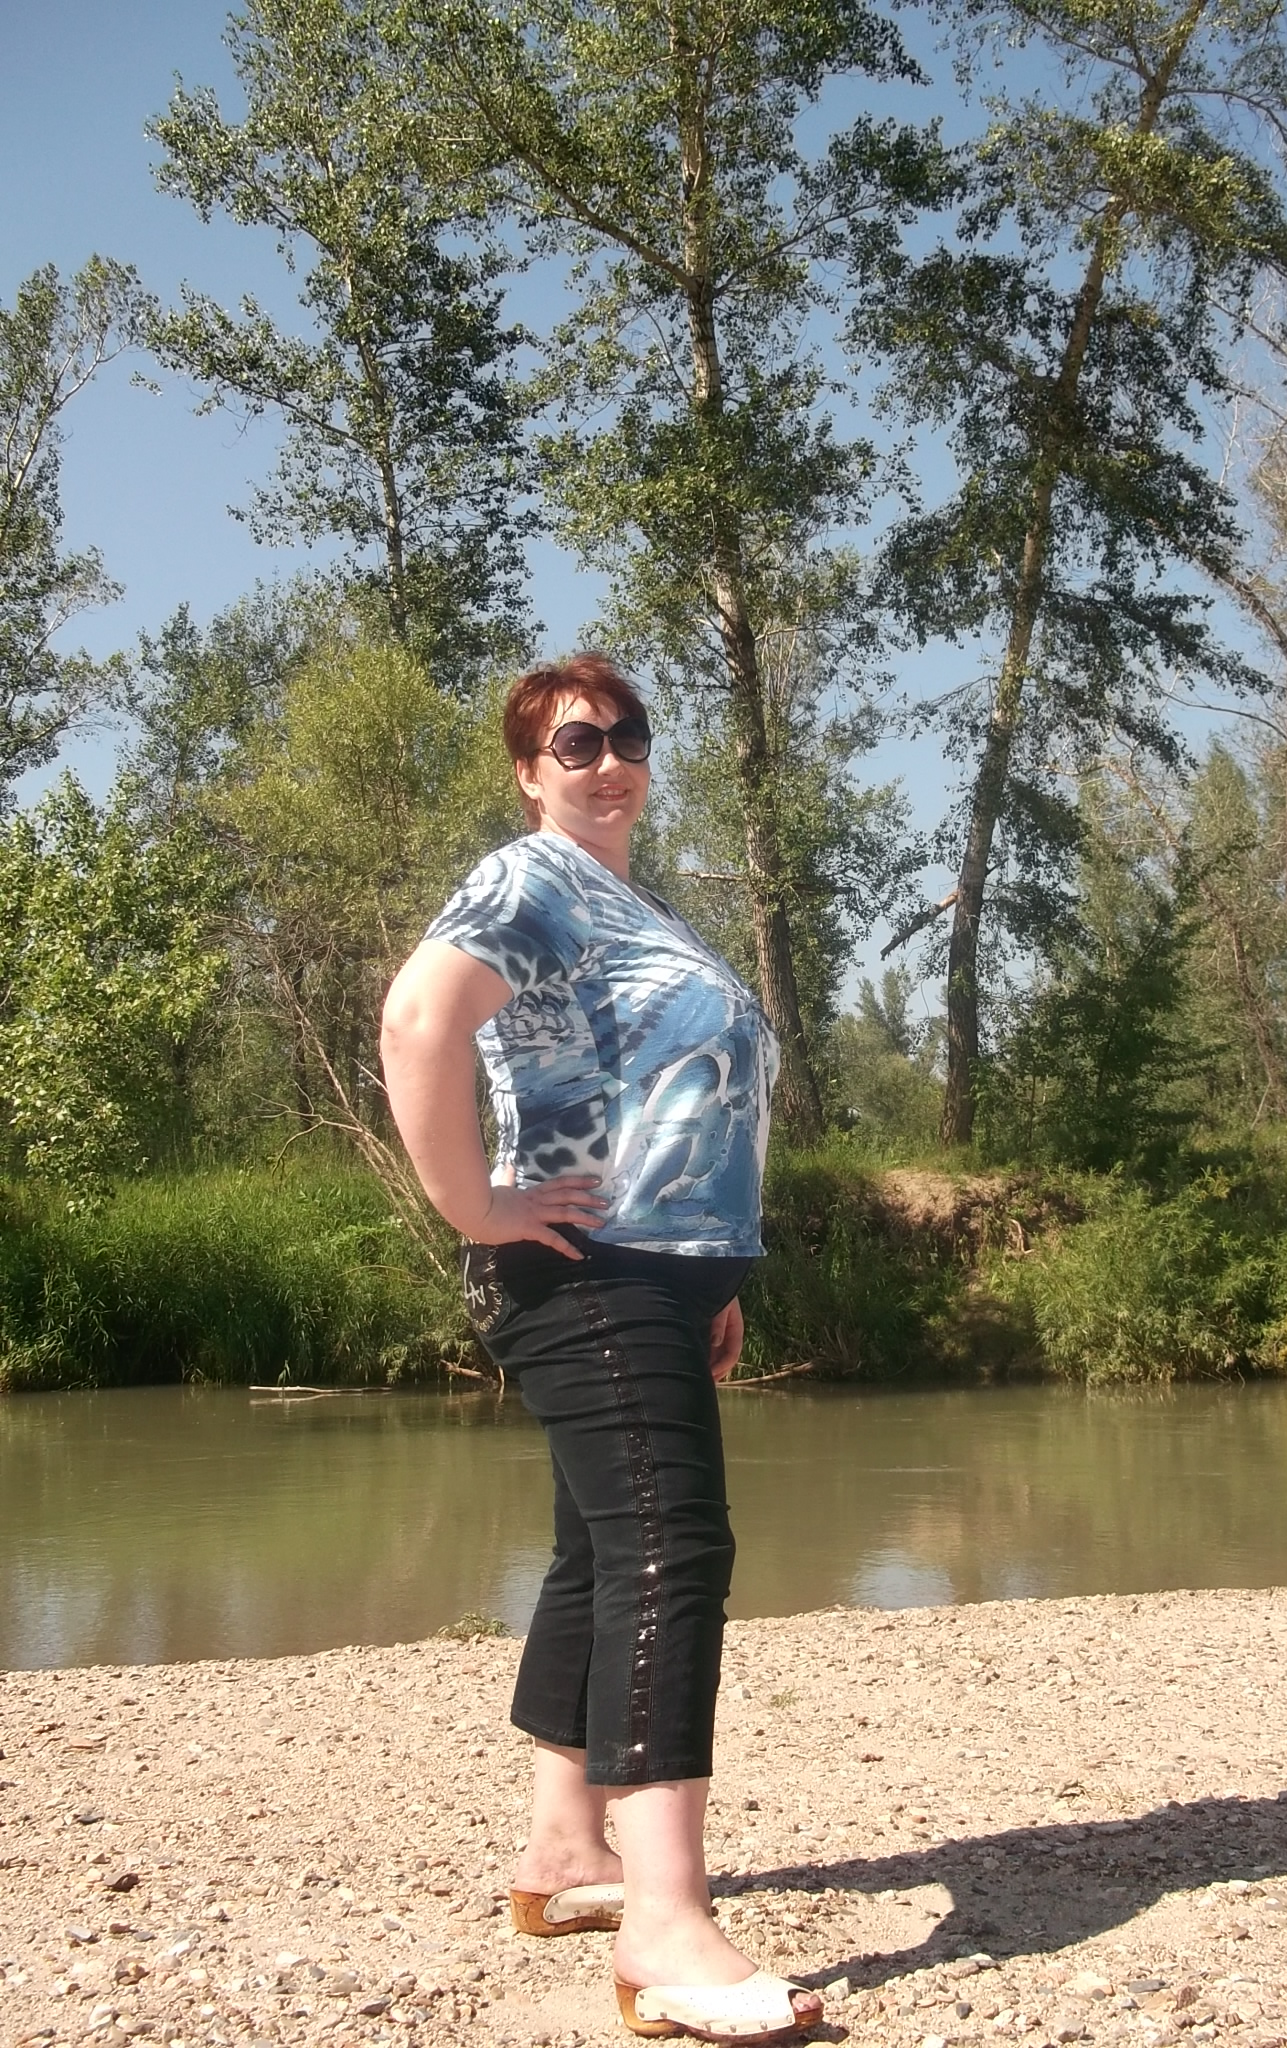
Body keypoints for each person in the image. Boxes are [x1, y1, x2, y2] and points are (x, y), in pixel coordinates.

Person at [379, 653, 823, 2045]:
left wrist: (714, 1280)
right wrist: (476, 1207)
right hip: (586, 1269)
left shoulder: (630, 903)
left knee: (597, 1548)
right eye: (577, 742)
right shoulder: (534, 881)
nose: (610, 759)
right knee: (670, 1548)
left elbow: (673, 1095)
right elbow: (418, 1020)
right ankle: (666, 1922)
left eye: (628, 736)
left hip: (659, 1276)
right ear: (531, 771)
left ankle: (567, 1850)